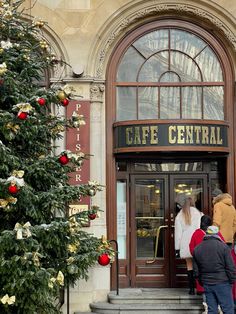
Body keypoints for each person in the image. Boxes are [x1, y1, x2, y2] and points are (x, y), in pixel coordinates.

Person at [193, 225, 236, 314]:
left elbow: (196, 271)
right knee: (228, 309)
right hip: (223, 283)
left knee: (212, 310)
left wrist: (202, 281)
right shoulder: (224, 247)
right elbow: (230, 267)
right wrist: (231, 281)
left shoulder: (197, 249)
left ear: (206, 234)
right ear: (217, 234)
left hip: (207, 283)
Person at [190, 216, 225, 314]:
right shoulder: (216, 233)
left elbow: (192, 248)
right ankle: (218, 306)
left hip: (202, 265)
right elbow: (224, 245)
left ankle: (207, 307)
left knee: (205, 287)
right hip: (216, 265)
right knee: (216, 285)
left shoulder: (196, 233)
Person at [175, 195, 203, 295]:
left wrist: (177, 249)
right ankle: (199, 289)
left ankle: (191, 289)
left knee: (189, 266)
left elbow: (178, 234)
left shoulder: (180, 215)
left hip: (185, 242)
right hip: (198, 240)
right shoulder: (198, 213)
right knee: (199, 265)